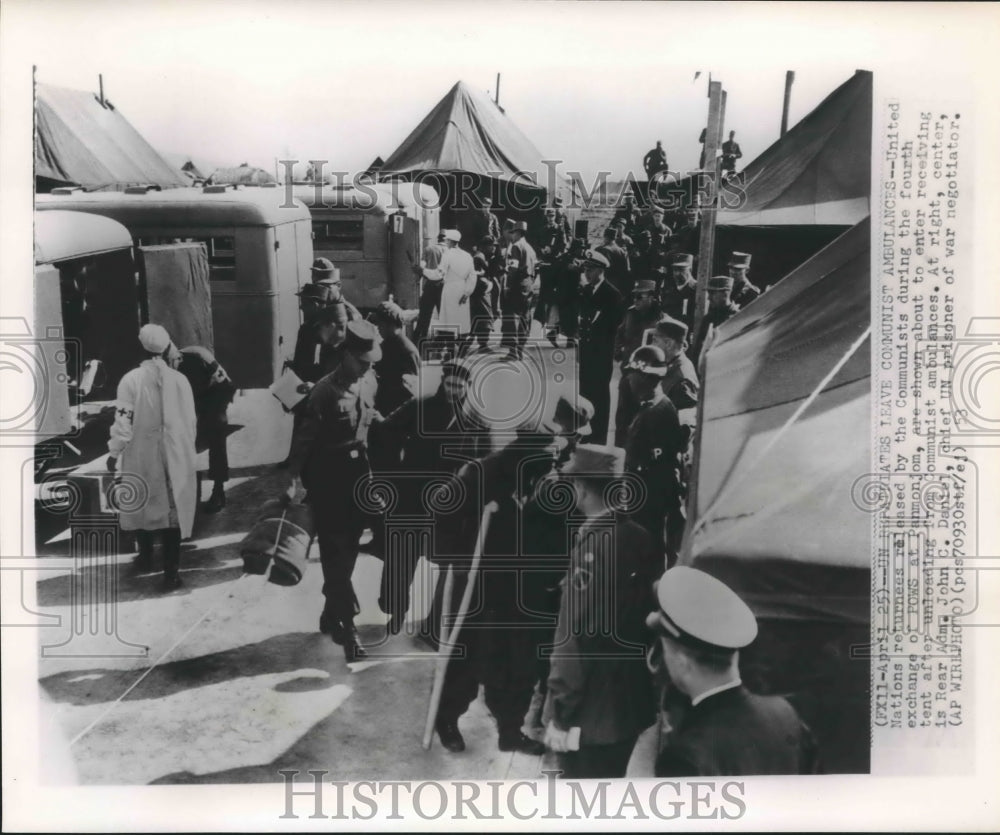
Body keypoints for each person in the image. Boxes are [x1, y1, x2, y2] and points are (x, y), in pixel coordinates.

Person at [430, 422, 563, 756]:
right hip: (481, 583)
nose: (553, 461)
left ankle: (510, 730)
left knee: (518, 660)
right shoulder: (481, 472)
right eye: (547, 454)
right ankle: (446, 720)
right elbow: (442, 510)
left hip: (522, 585)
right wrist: (455, 558)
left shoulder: (547, 479)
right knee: (467, 654)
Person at [543, 444, 660, 778]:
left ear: (581, 488)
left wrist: (560, 713)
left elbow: (573, 639)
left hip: (590, 715)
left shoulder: (592, 549)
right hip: (630, 705)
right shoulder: (640, 537)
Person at [644, 567, 820, 776]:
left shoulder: (683, 758)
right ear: (733, 655)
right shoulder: (784, 714)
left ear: (683, 663)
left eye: (665, 651)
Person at [372, 360, 491, 636]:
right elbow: (386, 430)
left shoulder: (478, 420)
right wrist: (392, 473)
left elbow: (486, 461)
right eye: (449, 385)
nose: (452, 391)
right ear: (442, 382)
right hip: (411, 496)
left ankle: (437, 620)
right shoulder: (420, 405)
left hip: (451, 502)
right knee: (401, 555)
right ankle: (397, 609)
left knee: (449, 560)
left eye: (459, 387)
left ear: (468, 387)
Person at [287, 320, 383, 662]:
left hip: (360, 478)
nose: (367, 368)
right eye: (362, 362)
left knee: (347, 554)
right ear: (346, 355)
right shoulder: (323, 392)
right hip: (328, 481)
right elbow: (303, 442)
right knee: (334, 554)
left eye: (371, 363)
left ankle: (331, 614)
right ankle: (349, 627)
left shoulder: (369, 381)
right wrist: (292, 481)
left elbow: (372, 423)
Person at [107, 324, 197, 591]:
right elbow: (191, 420)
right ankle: (171, 574)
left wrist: (114, 451)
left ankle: (146, 557)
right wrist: (185, 448)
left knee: (142, 500)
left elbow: (123, 422)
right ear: (167, 347)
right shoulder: (180, 380)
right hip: (176, 451)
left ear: (140, 348)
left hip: (142, 452)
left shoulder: (130, 380)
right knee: (173, 508)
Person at [622, 345, 688, 565]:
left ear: (645, 378)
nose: (629, 379)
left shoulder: (654, 413)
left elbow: (650, 464)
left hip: (649, 500)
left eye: (633, 374)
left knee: (649, 555)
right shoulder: (660, 404)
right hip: (652, 495)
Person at [168, 344, 236, 513]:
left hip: (217, 394)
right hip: (194, 398)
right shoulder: (166, 369)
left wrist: (205, 413)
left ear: (176, 356)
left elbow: (225, 386)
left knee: (216, 431)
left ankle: (218, 490)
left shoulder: (197, 358)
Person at [577, 250, 622, 444]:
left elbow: (613, 328)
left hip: (602, 355)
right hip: (586, 353)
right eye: (585, 269)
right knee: (585, 393)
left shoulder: (612, 295)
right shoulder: (586, 291)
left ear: (601, 270)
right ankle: (585, 434)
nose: (587, 273)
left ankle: (598, 438)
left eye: (591, 270)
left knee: (600, 396)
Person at [612, 280, 662, 446]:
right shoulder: (630, 314)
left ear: (652, 297)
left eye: (640, 296)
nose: (635, 300)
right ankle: (620, 452)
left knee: (640, 420)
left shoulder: (661, 319)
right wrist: (618, 351)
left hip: (646, 378)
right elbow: (620, 333)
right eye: (634, 297)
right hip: (628, 372)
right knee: (622, 419)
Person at [371, 301, 420, 416]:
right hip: (383, 408)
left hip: (396, 413)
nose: (378, 328)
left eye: (380, 324)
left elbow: (411, 391)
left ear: (390, 324)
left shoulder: (408, 351)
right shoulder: (386, 345)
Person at [424, 229, 477, 336]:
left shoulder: (447, 254)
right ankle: (461, 342)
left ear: (449, 241)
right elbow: (472, 276)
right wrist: (467, 293)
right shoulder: (467, 256)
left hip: (450, 289)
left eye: (446, 240)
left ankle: (449, 342)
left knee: (448, 320)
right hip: (462, 289)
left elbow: (439, 274)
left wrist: (423, 271)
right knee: (461, 319)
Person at [500, 221, 539, 358]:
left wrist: (508, 286)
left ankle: (512, 352)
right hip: (528, 284)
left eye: (512, 233)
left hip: (517, 285)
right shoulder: (530, 248)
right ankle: (520, 351)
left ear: (517, 233)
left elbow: (513, 269)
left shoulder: (516, 246)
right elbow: (536, 268)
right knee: (525, 317)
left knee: (512, 318)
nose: (511, 236)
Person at [650, 316, 700, 413]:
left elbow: (682, 420)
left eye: (655, 341)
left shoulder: (683, 383)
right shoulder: (671, 362)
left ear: (668, 344)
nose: (652, 345)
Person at [690, 275, 741, 365]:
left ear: (726, 293)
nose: (708, 298)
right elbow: (698, 351)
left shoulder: (738, 318)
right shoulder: (708, 318)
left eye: (712, 293)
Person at [413, 232, 448, 342]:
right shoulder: (450, 251)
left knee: (424, 314)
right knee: (444, 315)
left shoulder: (429, 249)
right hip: (444, 286)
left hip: (430, 285)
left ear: (438, 238)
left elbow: (422, 266)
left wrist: (418, 278)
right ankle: (444, 341)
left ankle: (420, 338)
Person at [470, 236, 502, 352]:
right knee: (484, 319)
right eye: (491, 246)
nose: (494, 248)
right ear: (484, 246)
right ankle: (482, 345)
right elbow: (478, 276)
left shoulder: (484, 256)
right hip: (480, 294)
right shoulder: (479, 257)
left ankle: (481, 344)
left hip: (484, 293)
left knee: (483, 319)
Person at [660, 253, 698, 328]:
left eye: (681, 270)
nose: (677, 274)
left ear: (690, 270)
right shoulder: (669, 290)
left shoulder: (697, 290)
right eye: (675, 270)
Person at [596, 226, 632, 299]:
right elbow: (627, 269)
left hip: (606, 282)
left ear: (605, 237)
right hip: (618, 283)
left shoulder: (602, 250)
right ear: (615, 238)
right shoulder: (622, 251)